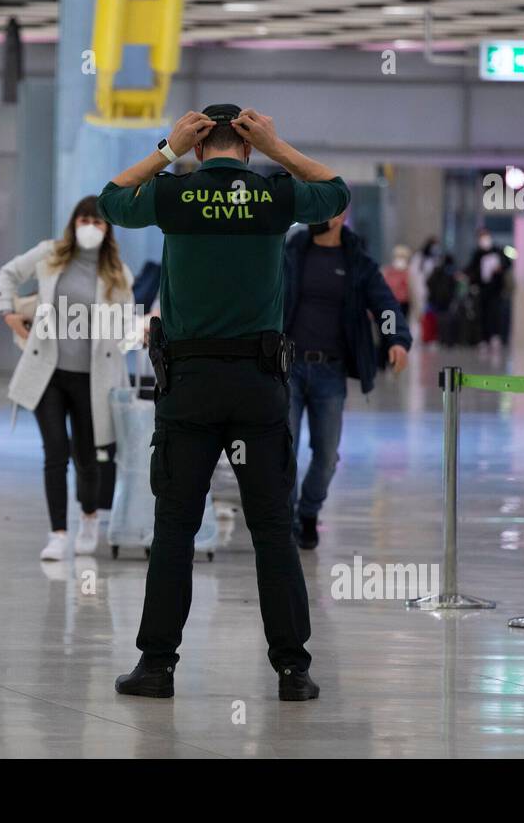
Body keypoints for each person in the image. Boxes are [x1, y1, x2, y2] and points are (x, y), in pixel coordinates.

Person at [98, 104, 350, 702]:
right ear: (247, 144)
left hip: (189, 387)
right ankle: (293, 671)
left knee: (175, 529)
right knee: (272, 532)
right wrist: (279, 146)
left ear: (198, 141)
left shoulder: (174, 196)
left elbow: (111, 200)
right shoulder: (274, 197)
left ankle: (157, 667)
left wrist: (167, 150)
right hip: (259, 387)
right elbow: (335, 194)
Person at [0, 197, 135, 561]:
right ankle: (57, 533)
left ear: (108, 230)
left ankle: (89, 517)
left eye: (98, 222)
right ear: (74, 222)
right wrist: (8, 312)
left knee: (87, 456)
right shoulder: (50, 254)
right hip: (49, 374)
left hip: (93, 381)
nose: (90, 226)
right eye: (84, 219)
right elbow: (9, 272)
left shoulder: (118, 274)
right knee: (54, 452)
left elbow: (121, 329)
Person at [283, 214, 411, 550]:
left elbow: (384, 305)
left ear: (340, 216)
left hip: (330, 373)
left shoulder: (357, 263)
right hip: (288, 368)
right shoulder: (290, 253)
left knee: (326, 456)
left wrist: (396, 338)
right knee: (284, 451)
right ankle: (283, 522)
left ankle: (308, 512)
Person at [466, 228, 511, 350]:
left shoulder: (498, 250)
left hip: (496, 288)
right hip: (482, 289)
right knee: (483, 314)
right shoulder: (477, 253)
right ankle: (483, 338)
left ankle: (495, 336)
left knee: (495, 313)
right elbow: (471, 269)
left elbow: (507, 263)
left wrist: (500, 267)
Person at [380, 244, 412, 319]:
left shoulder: (408, 273)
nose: (400, 260)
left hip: (403, 304)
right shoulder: (386, 271)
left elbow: (411, 292)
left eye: (402, 257)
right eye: (398, 256)